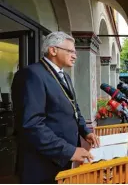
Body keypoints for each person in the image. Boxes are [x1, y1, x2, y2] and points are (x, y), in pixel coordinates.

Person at [12, 32, 100, 183]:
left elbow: (74, 107)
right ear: (53, 50)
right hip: (41, 164)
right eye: (70, 51)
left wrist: (85, 132)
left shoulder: (65, 76)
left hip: (63, 157)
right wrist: (69, 151)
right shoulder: (31, 75)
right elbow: (32, 125)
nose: (75, 56)